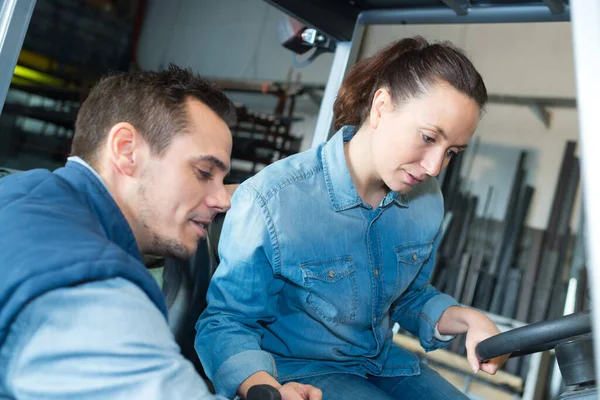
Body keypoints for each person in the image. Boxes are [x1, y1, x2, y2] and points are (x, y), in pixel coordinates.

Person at [196, 36, 509, 400]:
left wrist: (468, 319)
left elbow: (408, 298)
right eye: (427, 138)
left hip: (380, 364)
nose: (434, 167)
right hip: (298, 371)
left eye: (451, 152)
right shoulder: (273, 200)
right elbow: (226, 321)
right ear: (381, 106)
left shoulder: (426, 202)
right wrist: (262, 388)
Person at [0, 65, 236, 399]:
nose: (221, 200)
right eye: (203, 172)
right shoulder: (88, 290)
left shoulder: (21, 192)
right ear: (126, 150)